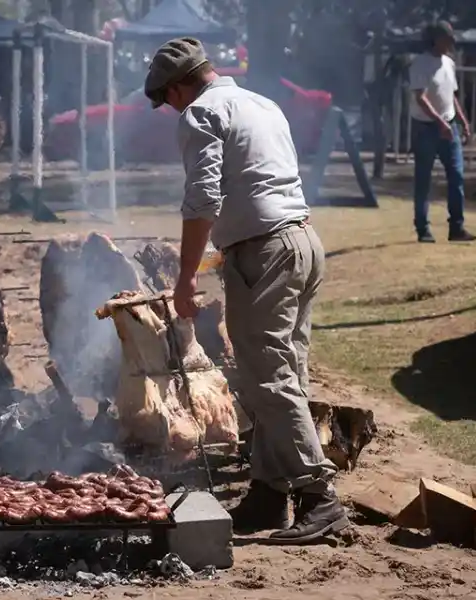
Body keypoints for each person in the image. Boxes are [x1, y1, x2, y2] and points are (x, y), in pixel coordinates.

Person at [143, 37, 348, 544]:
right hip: (302, 242)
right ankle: (269, 491)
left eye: (166, 99)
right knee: (286, 372)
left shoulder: (200, 114)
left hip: (266, 252)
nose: (170, 110)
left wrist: (187, 274)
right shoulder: (262, 103)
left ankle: (320, 498)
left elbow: (202, 200)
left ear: (177, 86)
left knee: (267, 378)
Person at [409, 21, 476, 243]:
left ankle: (456, 227)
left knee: (456, 176)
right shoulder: (420, 64)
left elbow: (451, 95)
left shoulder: (449, 63)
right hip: (426, 128)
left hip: (450, 126)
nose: (450, 44)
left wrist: (462, 121)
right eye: (447, 40)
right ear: (436, 39)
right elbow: (421, 98)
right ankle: (422, 228)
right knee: (423, 179)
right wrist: (439, 123)